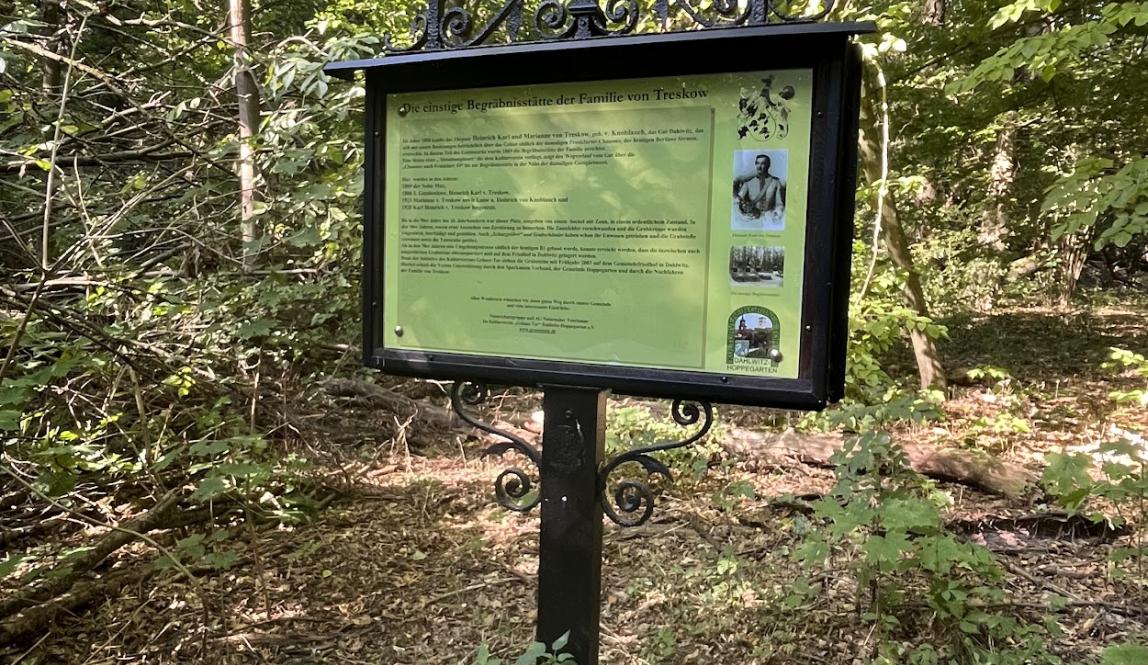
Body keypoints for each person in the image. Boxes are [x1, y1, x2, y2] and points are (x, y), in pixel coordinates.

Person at [734, 154, 785, 219]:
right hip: (751, 218)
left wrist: (777, 213)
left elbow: (779, 204)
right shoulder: (748, 183)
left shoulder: (775, 183)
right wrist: (744, 207)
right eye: (757, 163)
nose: (759, 166)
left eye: (763, 163)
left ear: (768, 165)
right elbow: (737, 201)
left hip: (769, 217)